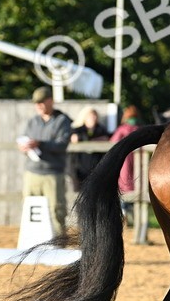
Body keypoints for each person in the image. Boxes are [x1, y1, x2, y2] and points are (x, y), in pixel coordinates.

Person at [17, 86, 73, 236]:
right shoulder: (32, 122)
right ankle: (32, 241)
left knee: (57, 210)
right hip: (32, 172)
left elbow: (62, 144)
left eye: (41, 102)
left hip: (52, 173)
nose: (38, 106)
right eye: (36, 103)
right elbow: (25, 139)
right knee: (29, 209)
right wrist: (24, 147)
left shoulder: (62, 121)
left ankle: (60, 243)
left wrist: (41, 144)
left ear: (51, 101)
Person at [109, 105, 142, 220]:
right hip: (136, 162)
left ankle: (124, 214)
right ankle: (132, 215)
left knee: (124, 187)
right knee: (134, 186)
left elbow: (112, 142)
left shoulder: (122, 129)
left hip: (125, 162)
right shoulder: (139, 129)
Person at [68, 107, 110, 190]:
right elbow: (74, 139)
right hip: (79, 168)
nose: (93, 118)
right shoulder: (77, 130)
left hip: (96, 168)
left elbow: (107, 138)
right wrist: (94, 140)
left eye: (95, 116)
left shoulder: (101, 130)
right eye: (91, 116)